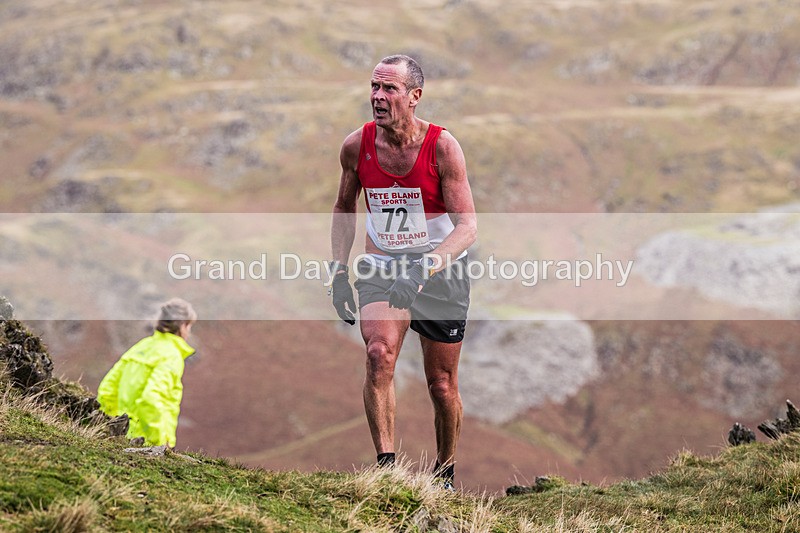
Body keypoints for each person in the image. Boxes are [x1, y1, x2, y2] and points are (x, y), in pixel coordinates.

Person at [330, 54, 477, 489]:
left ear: (414, 97)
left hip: (439, 266)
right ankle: (388, 470)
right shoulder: (356, 146)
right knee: (379, 354)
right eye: (374, 87)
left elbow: (468, 226)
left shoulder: (442, 146)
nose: (377, 96)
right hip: (381, 261)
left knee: (442, 384)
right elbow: (344, 207)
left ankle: (445, 472)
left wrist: (423, 268)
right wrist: (339, 272)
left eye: (389, 89)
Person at [97, 298, 197, 448]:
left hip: (119, 438)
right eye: (189, 326)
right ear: (182, 326)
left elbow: (107, 390)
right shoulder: (171, 355)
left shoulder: (140, 347)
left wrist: (111, 427)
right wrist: (159, 443)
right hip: (147, 443)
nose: (188, 332)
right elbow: (151, 399)